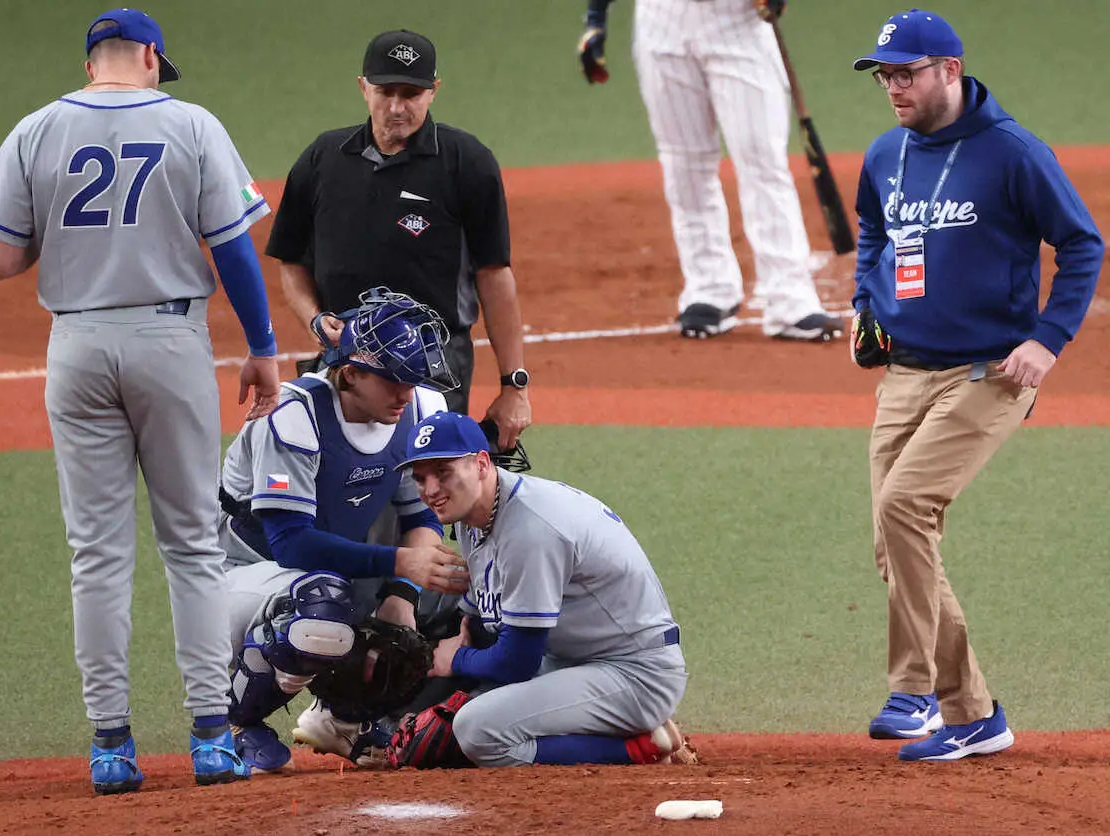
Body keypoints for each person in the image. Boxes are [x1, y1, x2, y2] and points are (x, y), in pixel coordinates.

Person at [0, 9, 281, 793]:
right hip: (168, 344)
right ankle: (212, 736)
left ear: (89, 66)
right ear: (148, 56)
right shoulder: (193, 124)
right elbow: (234, 245)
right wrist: (264, 347)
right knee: (193, 548)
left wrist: (69, 234)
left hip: (75, 348)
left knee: (97, 557)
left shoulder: (36, 130)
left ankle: (110, 747)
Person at [849, 9, 1102, 761]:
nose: (893, 87)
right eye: (885, 75)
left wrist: (1048, 341)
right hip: (904, 374)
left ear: (951, 71)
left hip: (990, 372)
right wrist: (867, 301)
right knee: (897, 545)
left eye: (908, 73)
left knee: (905, 505)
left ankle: (915, 691)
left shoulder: (1013, 152)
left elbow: (1083, 242)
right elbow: (873, 229)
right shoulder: (885, 154)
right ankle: (977, 716)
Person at [218, 288, 473, 772]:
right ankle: (231, 723)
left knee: (453, 591)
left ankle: (343, 719)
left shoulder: (416, 408)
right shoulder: (293, 416)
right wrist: (400, 564)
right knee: (321, 605)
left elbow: (418, 517)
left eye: (412, 378)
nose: (406, 391)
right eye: (393, 379)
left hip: (330, 569)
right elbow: (290, 541)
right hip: (239, 575)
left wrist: (403, 592)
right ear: (351, 373)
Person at [265, 29, 531, 451]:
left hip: (433, 367)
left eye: (411, 93)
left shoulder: (466, 162)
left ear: (433, 91)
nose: (396, 106)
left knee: (427, 489)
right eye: (385, 91)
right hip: (343, 365)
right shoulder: (323, 159)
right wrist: (315, 320)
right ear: (362, 87)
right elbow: (292, 261)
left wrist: (514, 385)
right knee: (330, 487)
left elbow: (495, 275)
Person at [392, 411, 694, 768]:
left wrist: (453, 659)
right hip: (575, 663)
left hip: (635, 675)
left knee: (477, 730)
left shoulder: (530, 529)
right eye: (421, 478)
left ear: (482, 464)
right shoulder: (475, 517)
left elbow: (516, 662)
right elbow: (480, 625)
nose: (430, 491)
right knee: (473, 702)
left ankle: (641, 747)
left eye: (444, 474)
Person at [577, 0, 845, 342]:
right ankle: (709, 287)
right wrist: (596, 19)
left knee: (761, 159)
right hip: (663, 23)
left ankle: (790, 297)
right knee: (683, 162)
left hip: (737, 21)